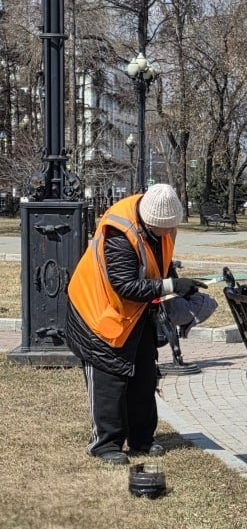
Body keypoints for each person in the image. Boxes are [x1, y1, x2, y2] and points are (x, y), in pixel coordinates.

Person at [66, 184, 206, 466]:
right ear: (146, 221)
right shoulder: (119, 231)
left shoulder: (161, 225)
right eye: (161, 229)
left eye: (170, 228)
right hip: (98, 313)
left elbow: (160, 262)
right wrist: (172, 285)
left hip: (134, 313)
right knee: (110, 379)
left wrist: (179, 288)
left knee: (144, 374)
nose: (167, 234)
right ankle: (105, 444)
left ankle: (142, 438)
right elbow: (125, 285)